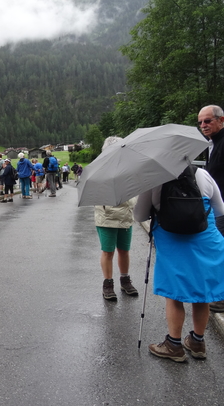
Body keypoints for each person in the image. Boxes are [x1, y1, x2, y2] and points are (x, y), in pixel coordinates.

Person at [134, 165, 224, 362]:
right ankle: (197, 342)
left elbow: (139, 216)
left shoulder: (153, 180)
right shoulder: (203, 174)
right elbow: (219, 210)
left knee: (175, 295)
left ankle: (174, 345)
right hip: (206, 243)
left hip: (173, 244)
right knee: (203, 294)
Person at [94, 137, 138, 301]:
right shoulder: (99, 169)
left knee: (124, 250)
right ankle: (108, 284)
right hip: (107, 216)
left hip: (126, 214)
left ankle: (125, 280)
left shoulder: (129, 168)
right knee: (108, 251)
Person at [198, 105, 224, 313]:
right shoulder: (214, 143)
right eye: (200, 122)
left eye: (208, 121)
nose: (203, 125)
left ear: (221, 120)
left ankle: (222, 297)